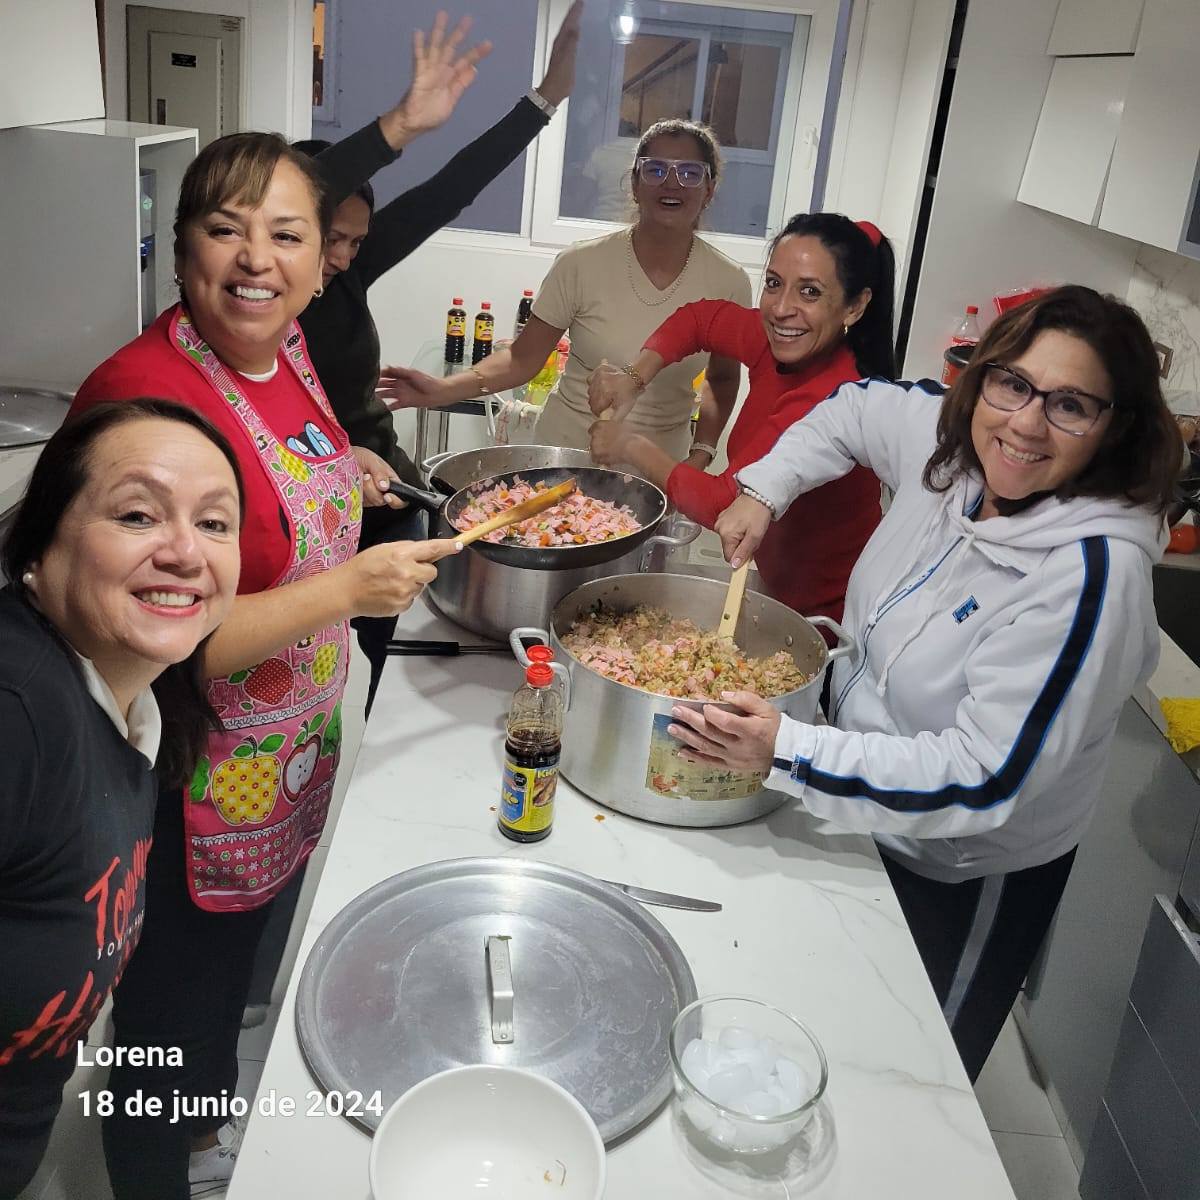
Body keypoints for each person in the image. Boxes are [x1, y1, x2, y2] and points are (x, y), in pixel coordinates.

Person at [68, 121, 464, 1199]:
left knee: (223, 979)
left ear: (320, 257)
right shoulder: (146, 400)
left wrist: (351, 460)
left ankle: (201, 1136)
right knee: (165, 1010)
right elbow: (167, 637)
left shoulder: (280, 347)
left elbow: (282, 464)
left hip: (277, 757)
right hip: (179, 771)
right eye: (225, 229)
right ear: (182, 246)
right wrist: (346, 591)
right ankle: (152, 1175)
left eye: (286, 235)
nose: (257, 259)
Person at [668, 286, 1180, 1082]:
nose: (1026, 423)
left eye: (1071, 405)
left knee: (912, 1080)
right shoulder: (955, 445)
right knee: (823, 1035)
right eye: (1013, 383)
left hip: (962, 868)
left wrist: (791, 751)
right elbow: (851, 409)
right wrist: (766, 488)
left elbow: (984, 776)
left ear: (1116, 427)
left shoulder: (1089, 579)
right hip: (856, 807)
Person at [295, 1, 582, 708]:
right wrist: (395, 126)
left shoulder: (349, 273)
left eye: (356, 242)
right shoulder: (254, 313)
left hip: (387, 497)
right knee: (310, 675)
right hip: (310, 516)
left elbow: (448, 191)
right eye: (330, 238)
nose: (342, 258)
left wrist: (544, 101)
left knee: (372, 679)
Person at [0, 400, 243, 1199]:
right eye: (137, 514)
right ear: (41, 544)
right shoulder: (18, 714)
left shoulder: (139, 705)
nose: (185, 552)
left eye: (215, 523)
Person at [376, 117, 753, 464]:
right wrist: (441, 390)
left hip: (660, 470)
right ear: (635, 185)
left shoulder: (728, 282)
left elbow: (722, 379)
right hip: (567, 458)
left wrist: (701, 455)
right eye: (655, 169)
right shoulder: (581, 263)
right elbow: (521, 359)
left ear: (709, 190)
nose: (672, 183)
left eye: (689, 173)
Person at [587, 212, 895, 622]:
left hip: (834, 612)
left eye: (810, 292)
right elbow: (699, 320)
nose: (781, 309)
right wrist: (634, 377)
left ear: (854, 307)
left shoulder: (834, 396)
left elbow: (725, 504)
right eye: (774, 283)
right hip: (778, 585)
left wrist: (629, 445)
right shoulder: (777, 338)